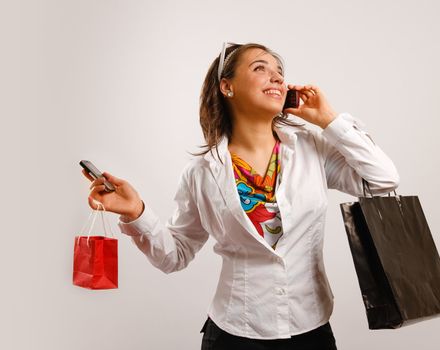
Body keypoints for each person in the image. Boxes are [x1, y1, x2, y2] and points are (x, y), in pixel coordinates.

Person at [82, 42, 400, 350]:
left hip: (311, 330)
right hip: (234, 334)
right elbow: (174, 255)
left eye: (279, 70)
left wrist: (329, 121)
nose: (276, 76)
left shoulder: (312, 149)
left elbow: (384, 179)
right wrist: (136, 211)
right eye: (260, 68)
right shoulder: (201, 173)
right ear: (227, 87)